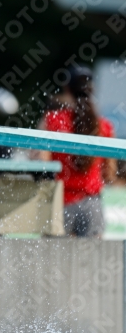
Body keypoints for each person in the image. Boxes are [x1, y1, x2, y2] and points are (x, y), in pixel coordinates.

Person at [40, 66, 117, 237]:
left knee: (50, 261)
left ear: (67, 89)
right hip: (92, 205)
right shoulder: (104, 126)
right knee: (91, 262)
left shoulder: (52, 120)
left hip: (58, 204)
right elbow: (110, 174)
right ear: (92, 90)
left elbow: (41, 165)